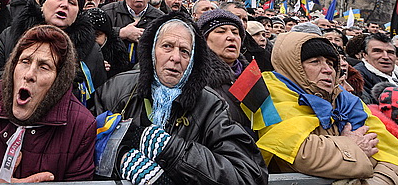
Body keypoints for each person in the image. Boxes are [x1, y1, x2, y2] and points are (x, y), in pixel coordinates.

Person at [93, 13, 268, 185]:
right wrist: (121, 160)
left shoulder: (211, 105)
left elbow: (248, 175)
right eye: (167, 46)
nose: (175, 58)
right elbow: (84, 147)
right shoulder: (116, 89)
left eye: (185, 51)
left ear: (193, 60)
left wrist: (170, 149)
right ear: (152, 50)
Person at [252, 30, 398, 183]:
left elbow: (389, 153)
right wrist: (353, 147)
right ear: (292, 66)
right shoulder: (268, 95)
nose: (328, 70)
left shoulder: (348, 101)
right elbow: (302, 156)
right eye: (315, 62)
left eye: (330, 63)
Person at [0, 25, 96, 182]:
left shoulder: (81, 127)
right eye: (25, 61)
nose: (29, 74)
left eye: (44, 67)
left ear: (59, 80)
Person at [0, 0, 107, 107]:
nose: (64, 5)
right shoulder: (11, 36)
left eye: (72, 2)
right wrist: (21, 73)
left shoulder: (92, 51)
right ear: (42, 5)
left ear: (77, 14)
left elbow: (97, 103)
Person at [101, 0, 164, 65]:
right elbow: (96, 37)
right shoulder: (108, 11)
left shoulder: (160, 18)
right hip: (112, 72)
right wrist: (120, 33)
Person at [354, 32, 398, 104]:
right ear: (365, 55)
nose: (386, 57)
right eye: (377, 51)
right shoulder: (357, 78)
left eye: (390, 52)